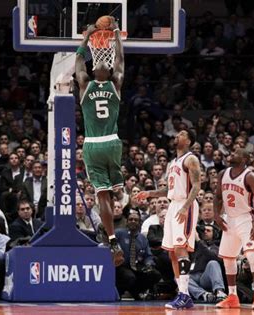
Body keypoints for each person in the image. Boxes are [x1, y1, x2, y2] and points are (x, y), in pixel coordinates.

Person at [75, 20, 125, 266]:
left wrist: (86, 38)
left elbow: (77, 61)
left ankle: (113, 235)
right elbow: (120, 61)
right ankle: (113, 235)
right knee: (107, 193)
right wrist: (115, 35)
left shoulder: (85, 84)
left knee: (103, 193)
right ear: (98, 68)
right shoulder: (116, 83)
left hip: (94, 144)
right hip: (111, 143)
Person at [136, 130, 201, 310]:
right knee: (172, 252)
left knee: (181, 249)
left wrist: (186, 207)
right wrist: (149, 193)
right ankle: (181, 292)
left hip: (184, 204)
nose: (176, 136)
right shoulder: (172, 163)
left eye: (181, 134)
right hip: (173, 205)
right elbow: (167, 191)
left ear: (188, 141)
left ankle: (185, 294)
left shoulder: (191, 159)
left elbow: (197, 186)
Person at [213, 148, 254, 309]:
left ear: (244, 158)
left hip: (246, 218)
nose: (231, 154)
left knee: (251, 255)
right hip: (229, 219)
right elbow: (217, 197)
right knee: (228, 258)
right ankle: (232, 296)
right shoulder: (223, 174)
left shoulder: (249, 176)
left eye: (235, 153)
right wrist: (217, 215)